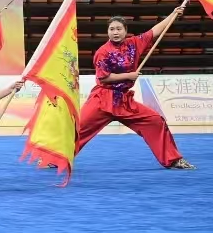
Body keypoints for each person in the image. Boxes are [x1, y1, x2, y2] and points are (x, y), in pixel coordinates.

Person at [75, 10, 195, 169]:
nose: (115, 32)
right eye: (112, 29)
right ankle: (56, 158)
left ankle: (173, 160)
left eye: (119, 29)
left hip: (124, 101)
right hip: (102, 100)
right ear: (107, 31)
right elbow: (103, 78)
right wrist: (128, 76)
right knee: (78, 130)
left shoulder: (134, 43)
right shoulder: (102, 52)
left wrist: (173, 14)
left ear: (125, 30)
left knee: (155, 121)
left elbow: (154, 31)